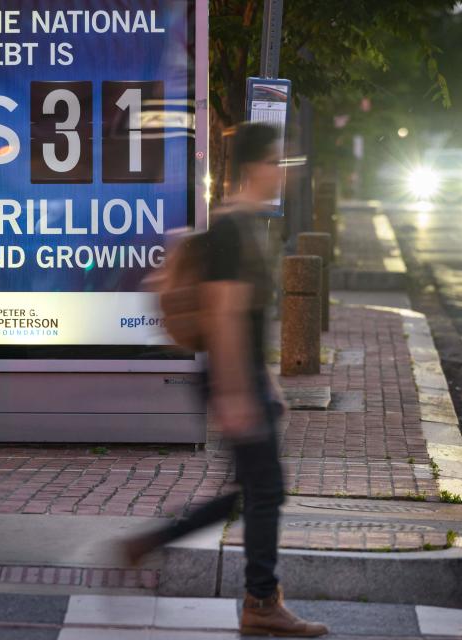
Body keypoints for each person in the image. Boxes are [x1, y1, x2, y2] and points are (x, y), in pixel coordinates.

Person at [124, 122, 328, 637]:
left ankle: (146, 544)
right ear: (253, 167)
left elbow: (248, 319)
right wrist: (239, 392)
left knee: (252, 490)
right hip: (230, 376)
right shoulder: (232, 229)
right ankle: (261, 602)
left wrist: (266, 383)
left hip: (241, 375)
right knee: (266, 490)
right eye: (276, 162)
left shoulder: (243, 224)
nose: (281, 174)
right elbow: (223, 315)